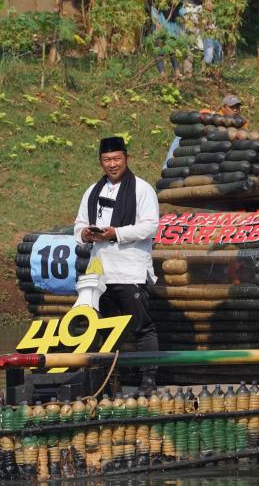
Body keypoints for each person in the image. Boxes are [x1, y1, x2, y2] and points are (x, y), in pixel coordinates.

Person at [74, 136, 160, 392]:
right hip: (100, 272)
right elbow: (78, 224)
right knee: (101, 327)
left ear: (126, 158)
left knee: (141, 326)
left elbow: (150, 226)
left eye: (116, 159)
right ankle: (107, 381)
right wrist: (85, 235)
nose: (112, 165)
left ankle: (148, 380)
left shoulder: (142, 189)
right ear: (101, 162)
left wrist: (116, 233)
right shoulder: (92, 191)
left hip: (130, 268)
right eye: (107, 160)